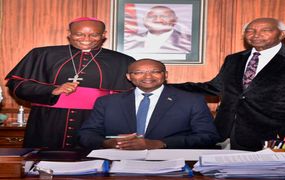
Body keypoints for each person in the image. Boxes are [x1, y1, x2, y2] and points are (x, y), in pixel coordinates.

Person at [173, 18, 285, 151]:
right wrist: (164, 87)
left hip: (279, 137)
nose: (256, 34)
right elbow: (214, 88)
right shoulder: (234, 59)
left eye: (265, 30)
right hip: (232, 134)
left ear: (282, 34)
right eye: (250, 30)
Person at [5, 17, 135, 149]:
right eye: (79, 34)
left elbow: (132, 96)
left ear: (103, 35)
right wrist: (51, 90)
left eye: (94, 35)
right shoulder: (42, 54)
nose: (86, 38)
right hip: (48, 122)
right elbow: (16, 85)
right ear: (69, 33)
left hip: (97, 122)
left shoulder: (122, 60)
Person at [78, 59, 220, 150]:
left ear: (165, 75)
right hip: (119, 163)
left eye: (155, 72)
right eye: (139, 72)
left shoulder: (191, 101)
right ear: (129, 77)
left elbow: (208, 136)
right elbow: (86, 134)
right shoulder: (108, 102)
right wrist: (107, 143)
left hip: (170, 165)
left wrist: (160, 143)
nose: (147, 77)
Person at [124, 5, 191, 54]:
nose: (157, 19)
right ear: (144, 20)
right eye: (152, 16)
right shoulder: (130, 40)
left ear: (175, 20)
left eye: (164, 16)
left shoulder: (189, 41)